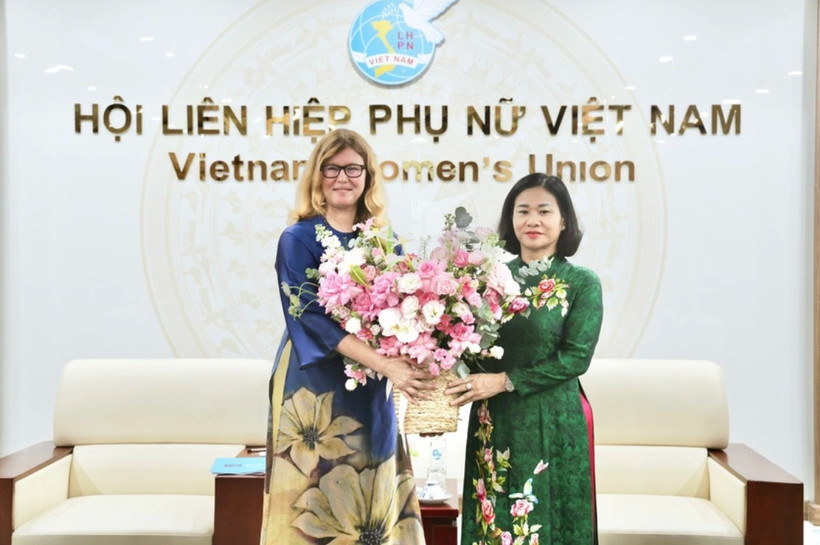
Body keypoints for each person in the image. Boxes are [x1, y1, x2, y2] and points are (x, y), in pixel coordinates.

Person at [261, 129, 433, 544]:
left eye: (353, 168)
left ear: (367, 176)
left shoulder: (382, 238)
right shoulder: (297, 238)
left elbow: (399, 307)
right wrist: (386, 364)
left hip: (370, 384)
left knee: (373, 496)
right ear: (317, 177)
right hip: (312, 383)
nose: (343, 177)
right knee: (311, 494)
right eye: (332, 168)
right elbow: (310, 318)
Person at [446, 173, 603, 545]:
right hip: (494, 418)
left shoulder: (581, 282)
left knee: (549, 520)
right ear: (511, 219)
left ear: (564, 221)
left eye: (544, 211)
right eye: (523, 211)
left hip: (553, 418)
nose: (533, 220)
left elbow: (576, 357)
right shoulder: (486, 279)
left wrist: (503, 381)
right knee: (494, 521)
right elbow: (468, 347)